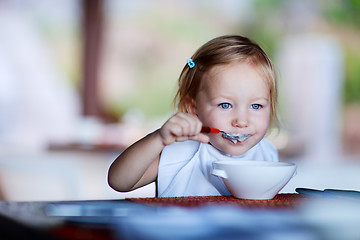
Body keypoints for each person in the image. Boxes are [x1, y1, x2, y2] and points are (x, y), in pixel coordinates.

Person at [108, 35, 279, 197]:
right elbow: (119, 182)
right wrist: (157, 139)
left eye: (256, 106)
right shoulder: (182, 152)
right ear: (193, 108)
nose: (241, 121)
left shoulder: (267, 155)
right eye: (225, 105)